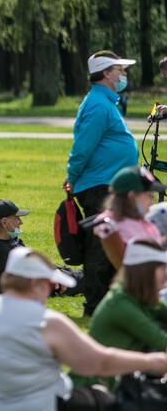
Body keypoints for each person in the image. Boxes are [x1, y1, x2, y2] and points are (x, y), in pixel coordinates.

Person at [0, 246, 167, 410]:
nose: (52, 292)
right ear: (36, 284)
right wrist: (153, 361)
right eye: (51, 286)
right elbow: (96, 363)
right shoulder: (45, 321)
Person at [67, 50, 139, 316]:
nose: (123, 75)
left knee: (111, 244)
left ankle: (109, 302)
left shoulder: (106, 101)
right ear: (107, 74)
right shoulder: (98, 104)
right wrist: (72, 177)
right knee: (99, 247)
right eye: (119, 70)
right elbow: (82, 148)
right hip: (99, 187)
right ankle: (94, 305)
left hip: (108, 185)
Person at [76, 240, 167, 391]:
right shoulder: (120, 304)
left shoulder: (137, 297)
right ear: (145, 271)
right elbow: (161, 341)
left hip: (124, 382)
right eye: (162, 267)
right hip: (98, 390)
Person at [92, 166, 165, 268]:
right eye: (148, 194)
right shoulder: (107, 225)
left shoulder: (141, 220)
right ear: (132, 197)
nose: (152, 198)